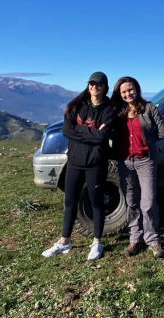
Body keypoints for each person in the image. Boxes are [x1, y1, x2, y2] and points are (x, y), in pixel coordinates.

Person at [42, 72, 114, 260]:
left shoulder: (109, 109)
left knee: (96, 202)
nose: (94, 87)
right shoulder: (77, 105)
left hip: (95, 164)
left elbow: (103, 137)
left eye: (98, 84)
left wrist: (80, 131)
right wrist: (90, 132)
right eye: (91, 84)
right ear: (88, 86)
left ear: (105, 87)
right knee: (70, 202)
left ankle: (97, 242)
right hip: (74, 163)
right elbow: (67, 130)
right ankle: (64, 242)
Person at [111, 76, 164, 258]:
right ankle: (135, 239)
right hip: (126, 161)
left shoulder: (149, 108)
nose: (128, 93)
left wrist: (146, 144)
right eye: (124, 92)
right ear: (119, 95)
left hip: (145, 161)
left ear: (137, 89)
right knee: (131, 201)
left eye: (130, 89)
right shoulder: (118, 111)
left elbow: (162, 132)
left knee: (149, 202)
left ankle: (153, 239)